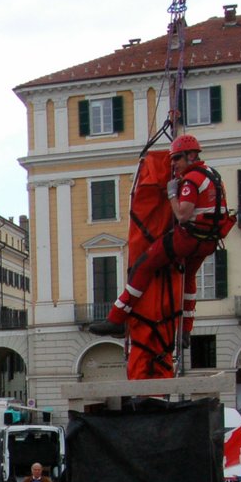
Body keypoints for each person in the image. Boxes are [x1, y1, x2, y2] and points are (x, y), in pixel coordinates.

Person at [90, 132, 232, 342]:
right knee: (189, 279)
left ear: (191, 156)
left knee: (144, 265)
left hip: (189, 238)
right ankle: (185, 330)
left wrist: (172, 194)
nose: (173, 164)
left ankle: (117, 317)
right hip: (209, 240)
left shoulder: (191, 180)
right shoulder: (213, 175)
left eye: (177, 158)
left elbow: (182, 215)